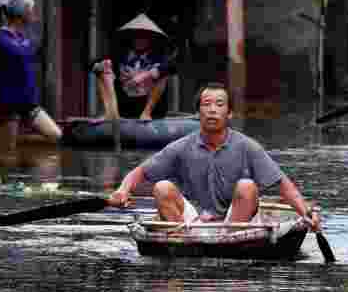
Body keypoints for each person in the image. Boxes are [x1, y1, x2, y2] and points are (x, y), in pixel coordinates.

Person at [108, 81, 322, 231]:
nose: (212, 110)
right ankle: (179, 238)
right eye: (206, 104)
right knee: (162, 187)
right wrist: (122, 190)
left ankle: (229, 239)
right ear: (197, 113)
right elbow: (140, 172)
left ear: (229, 114)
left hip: (235, 224)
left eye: (219, 105)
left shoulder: (247, 147)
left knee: (247, 187)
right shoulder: (181, 147)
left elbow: (283, 184)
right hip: (193, 223)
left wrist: (306, 212)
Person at [0, 0, 62, 142]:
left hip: (30, 104)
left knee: (56, 136)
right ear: (19, 11)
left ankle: (27, 152)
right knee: (8, 151)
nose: (33, 12)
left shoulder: (24, 38)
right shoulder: (1, 39)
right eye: (29, 8)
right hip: (9, 106)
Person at [94, 13, 178, 121]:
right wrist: (103, 67)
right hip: (125, 105)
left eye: (144, 36)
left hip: (151, 109)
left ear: (150, 38)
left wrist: (144, 76)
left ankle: (146, 113)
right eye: (137, 36)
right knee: (101, 69)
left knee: (163, 75)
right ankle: (110, 112)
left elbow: (171, 67)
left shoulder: (157, 56)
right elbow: (94, 64)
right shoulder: (120, 55)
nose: (140, 39)